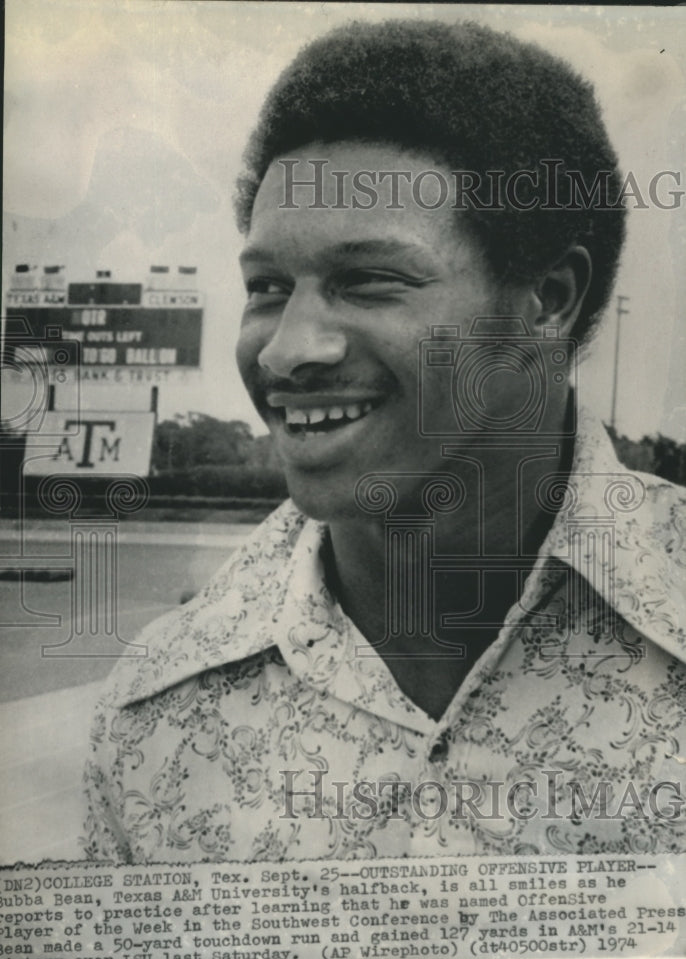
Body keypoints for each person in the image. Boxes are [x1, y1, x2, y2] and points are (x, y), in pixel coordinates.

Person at [83, 18, 685, 862]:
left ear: (547, 300)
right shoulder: (153, 713)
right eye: (267, 287)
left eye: (367, 281)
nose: (289, 349)